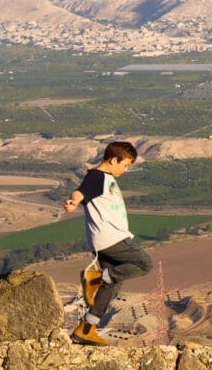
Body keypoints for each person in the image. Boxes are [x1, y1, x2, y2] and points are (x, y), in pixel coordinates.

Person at [62, 141, 153, 345]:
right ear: (113, 160)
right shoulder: (97, 176)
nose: (126, 170)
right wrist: (74, 201)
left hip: (103, 241)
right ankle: (94, 279)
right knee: (145, 264)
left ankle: (85, 329)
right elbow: (81, 191)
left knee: (112, 286)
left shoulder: (106, 178)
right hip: (112, 238)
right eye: (125, 165)